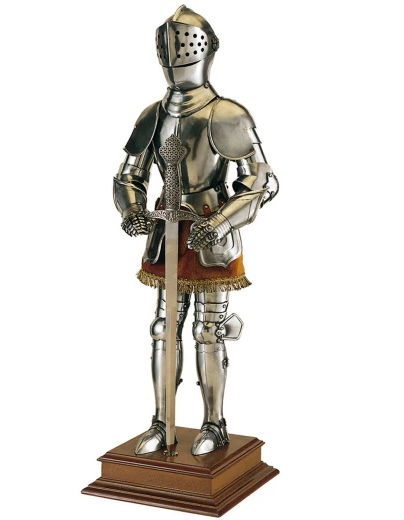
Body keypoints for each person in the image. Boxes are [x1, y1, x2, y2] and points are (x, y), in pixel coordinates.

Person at [113, 5, 278, 456]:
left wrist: (221, 221)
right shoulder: (152, 114)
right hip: (165, 233)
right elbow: (128, 175)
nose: (175, 54)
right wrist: (132, 210)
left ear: (207, 49)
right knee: (164, 327)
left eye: (184, 45)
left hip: (210, 234)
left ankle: (213, 424)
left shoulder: (227, 114)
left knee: (209, 331)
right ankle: (161, 422)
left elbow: (261, 181)